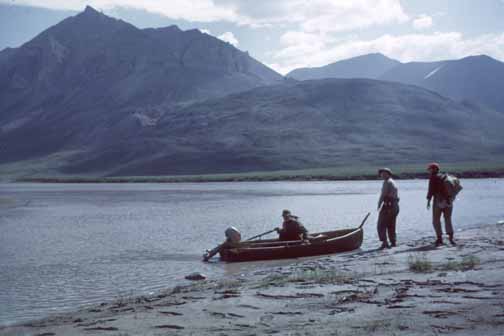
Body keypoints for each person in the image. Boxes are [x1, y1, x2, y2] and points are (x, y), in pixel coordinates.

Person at [426, 162, 455, 246]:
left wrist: (428, 201)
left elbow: (430, 190)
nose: (429, 171)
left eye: (430, 169)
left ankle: (439, 239)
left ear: (434, 169)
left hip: (438, 200)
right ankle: (451, 238)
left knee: (436, 220)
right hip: (449, 200)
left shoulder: (433, 177)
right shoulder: (445, 176)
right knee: (448, 219)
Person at [377, 168, 400, 249]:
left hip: (389, 206)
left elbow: (383, 195)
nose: (382, 175)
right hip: (395, 205)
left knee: (381, 225)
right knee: (391, 225)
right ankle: (393, 242)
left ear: (388, 174)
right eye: (381, 173)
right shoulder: (392, 181)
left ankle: (385, 242)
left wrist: (379, 204)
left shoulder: (387, 182)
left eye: (384, 173)